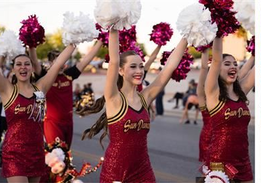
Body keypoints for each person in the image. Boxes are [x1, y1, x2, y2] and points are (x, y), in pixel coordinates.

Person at [77, 27, 188, 182]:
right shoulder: (114, 98)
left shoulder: (145, 98)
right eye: (133, 66)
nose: (139, 71)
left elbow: (169, 68)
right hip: (116, 172)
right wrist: (114, 26)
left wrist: (187, 33)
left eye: (141, 66)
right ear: (121, 71)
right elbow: (114, 61)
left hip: (143, 169)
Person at [0, 41, 74, 183]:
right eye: (18, 64)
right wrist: (3, 54)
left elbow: (56, 65)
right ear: (13, 69)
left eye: (27, 64)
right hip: (14, 153)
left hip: (36, 151)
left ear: (32, 68)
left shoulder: (40, 87)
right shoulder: (8, 90)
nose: (23, 67)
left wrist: (73, 42)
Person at [204, 34, 256, 182]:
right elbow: (216, 60)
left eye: (235, 64)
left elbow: (256, 67)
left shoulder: (241, 92)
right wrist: (219, 32)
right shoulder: (213, 93)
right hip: (219, 163)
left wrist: (256, 49)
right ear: (217, 70)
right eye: (227, 64)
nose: (233, 66)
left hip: (244, 161)